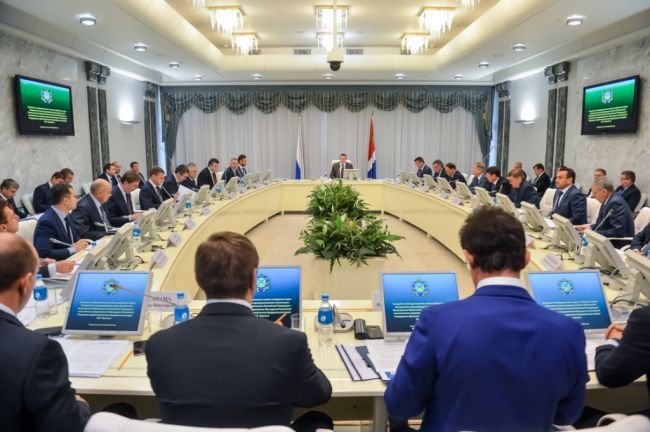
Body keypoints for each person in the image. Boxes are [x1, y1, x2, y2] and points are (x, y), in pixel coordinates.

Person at [385, 206, 587, 431]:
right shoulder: (568, 330)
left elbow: (400, 405)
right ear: (526, 258)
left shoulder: (437, 322)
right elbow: (566, 415)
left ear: (468, 257)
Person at [146, 231, 332, 429]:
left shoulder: (159, 344)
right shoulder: (288, 342)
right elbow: (319, 395)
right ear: (254, 278)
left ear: (198, 279)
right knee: (319, 419)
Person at [0, 233, 90, 432]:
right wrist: (80, 405)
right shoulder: (37, 351)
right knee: (121, 410)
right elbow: (68, 426)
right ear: (26, 283)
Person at [595, 305, 650, 418]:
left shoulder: (645, 317)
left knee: (569, 413)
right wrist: (635, 332)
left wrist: (613, 340)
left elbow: (609, 376)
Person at [0, 200, 75, 277]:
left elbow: (20, 265)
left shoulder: (12, 241)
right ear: (3, 227)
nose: (18, 217)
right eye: (13, 216)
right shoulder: (4, 250)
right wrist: (54, 268)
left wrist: (39, 262)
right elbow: (16, 275)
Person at [33, 184, 89, 261]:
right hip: (59, 264)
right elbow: (44, 253)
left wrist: (80, 243)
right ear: (65, 201)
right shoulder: (46, 222)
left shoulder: (67, 215)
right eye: (74, 197)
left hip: (74, 259)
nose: (77, 199)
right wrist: (73, 249)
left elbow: (74, 238)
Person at [576, 177, 634, 248]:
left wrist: (593, 233)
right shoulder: (607, 200)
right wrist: (590, 227)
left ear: (604, 192)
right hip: (605, 239)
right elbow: (601, 224)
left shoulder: (616, 203)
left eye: (595, 193)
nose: (593, 196)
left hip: (616, 243)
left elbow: (617, 232)